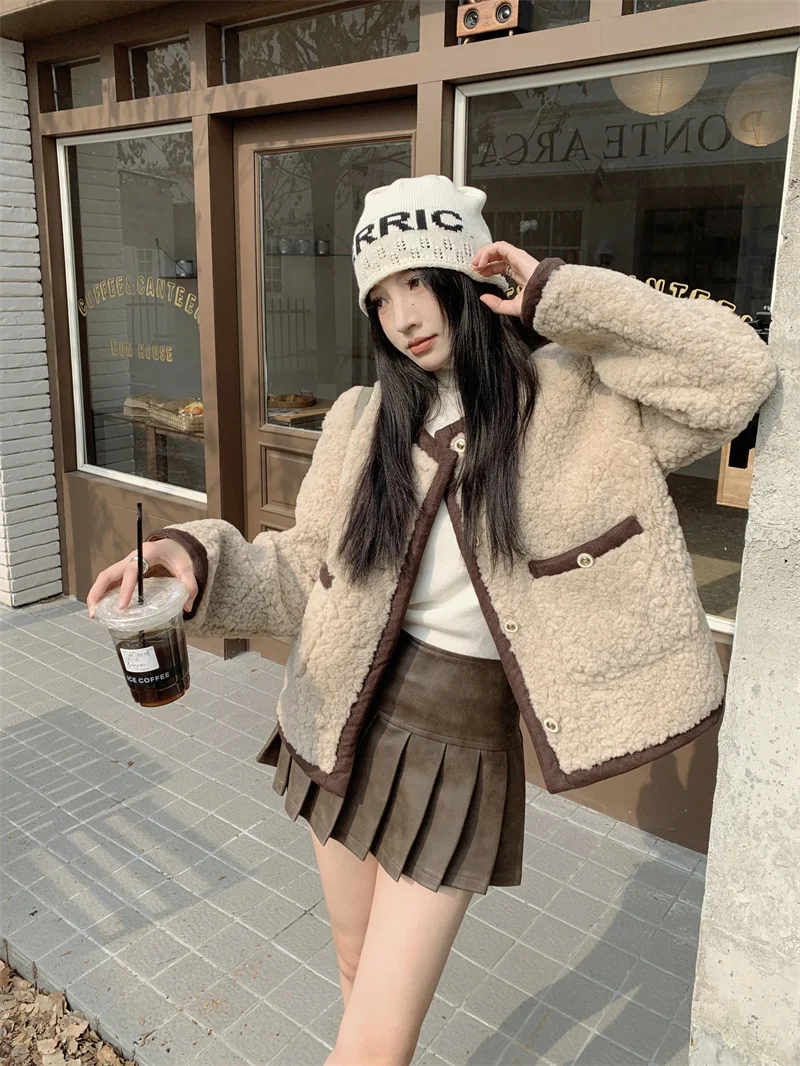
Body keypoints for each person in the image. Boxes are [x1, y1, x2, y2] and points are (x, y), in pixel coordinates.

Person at [86, 175, 777, 1066]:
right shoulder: (362, 419)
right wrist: (197, 557)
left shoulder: (578, 399)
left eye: (417, 280)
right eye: (379, 296)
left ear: (466, 274)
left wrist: (560, 297)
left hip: (457, 736)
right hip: (341, 715)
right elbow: (303, 568)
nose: (402, 315)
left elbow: (736, 375)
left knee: (375, 1039)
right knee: (353, 970)